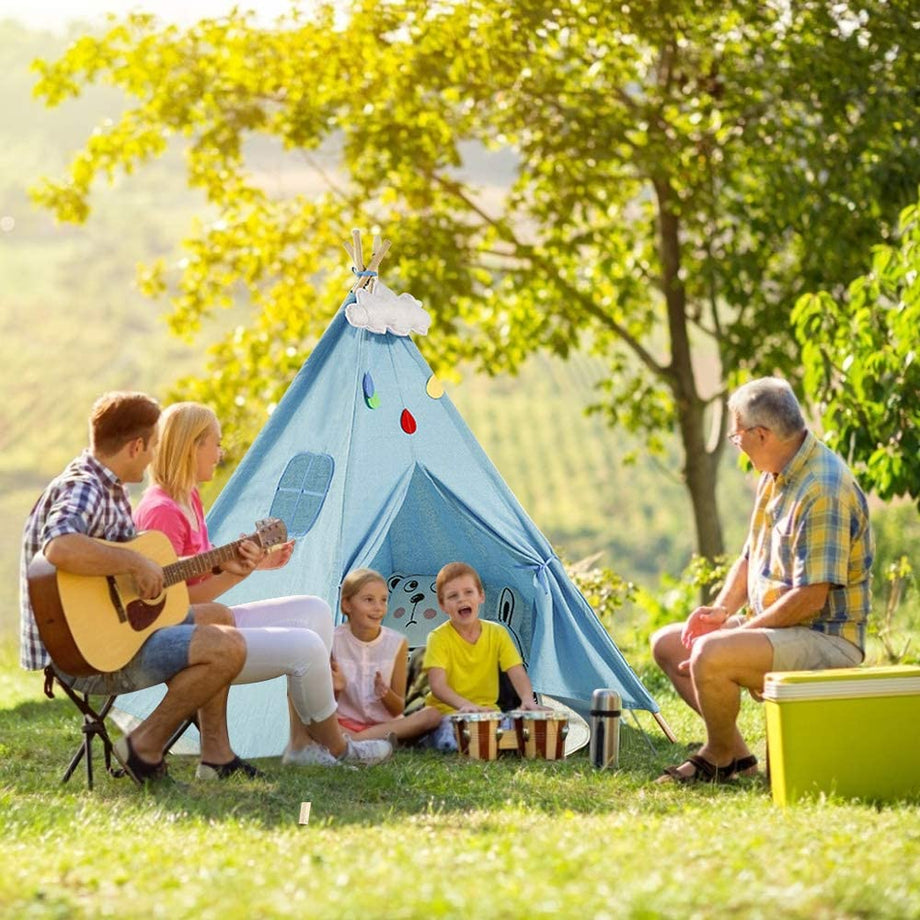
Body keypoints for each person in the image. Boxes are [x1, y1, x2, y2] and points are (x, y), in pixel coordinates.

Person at [133, 401, 392, 769]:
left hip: (204, 621)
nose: (220, 453)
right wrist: (237, 574)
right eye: (215, 444)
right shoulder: (161, 510)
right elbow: (171, 602)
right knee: (305, 647)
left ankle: (302, 746)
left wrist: (256, 562)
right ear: (193, 446)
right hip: (182, 640)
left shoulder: (188, 498)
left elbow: (200, 574)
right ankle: (339, 748)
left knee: (315, 610)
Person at [651, 377, 873, 784]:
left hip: (826, 638)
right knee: (669, 643)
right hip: (783, 626)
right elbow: (749, 557)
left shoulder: (822, 488)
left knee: (710, 653)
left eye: (738, 437)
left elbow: (810, 598)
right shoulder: (776, 472)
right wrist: (719, 614)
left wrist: (738, 639)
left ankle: (716, 755)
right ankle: (736, 754)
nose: (738, 445)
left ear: (762, 434)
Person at [20, 391, 246, 785]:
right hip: (85, 654)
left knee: (220, 618)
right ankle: (144, 744)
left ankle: (216, 755)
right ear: (135, 446)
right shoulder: (84, 487)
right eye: (152, 447)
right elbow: (59, 545)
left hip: (112, 631)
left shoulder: (110, 489)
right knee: (228, 646)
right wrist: (134, 562)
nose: (154, 457)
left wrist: (221, 565)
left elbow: (146, 577)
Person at [330, 568, 442, 743]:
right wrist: (337, 688)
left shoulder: (396, 644)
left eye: (383, 600)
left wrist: (385, 693)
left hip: (383, 725)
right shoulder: (334, 641)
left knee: (432, 715)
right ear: (347, 605)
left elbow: (398, 707)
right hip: (344, 722)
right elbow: (325, 703)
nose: (378, 608)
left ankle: (358, 740)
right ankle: (356, 740)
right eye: (369, 600)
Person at [423, 561, 545, 715]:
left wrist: (527, 699)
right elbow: (437, 685)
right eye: (453, 596)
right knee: (434, 721)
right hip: (444, 712)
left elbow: (517, 672)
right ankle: (397, 734)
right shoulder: (438, 638)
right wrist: (465, 706)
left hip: (486, 712)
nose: (462, 599)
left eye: (468, 592)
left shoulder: (497, 633)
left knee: (512, 730)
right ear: (443, 605)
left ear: (481, 596)